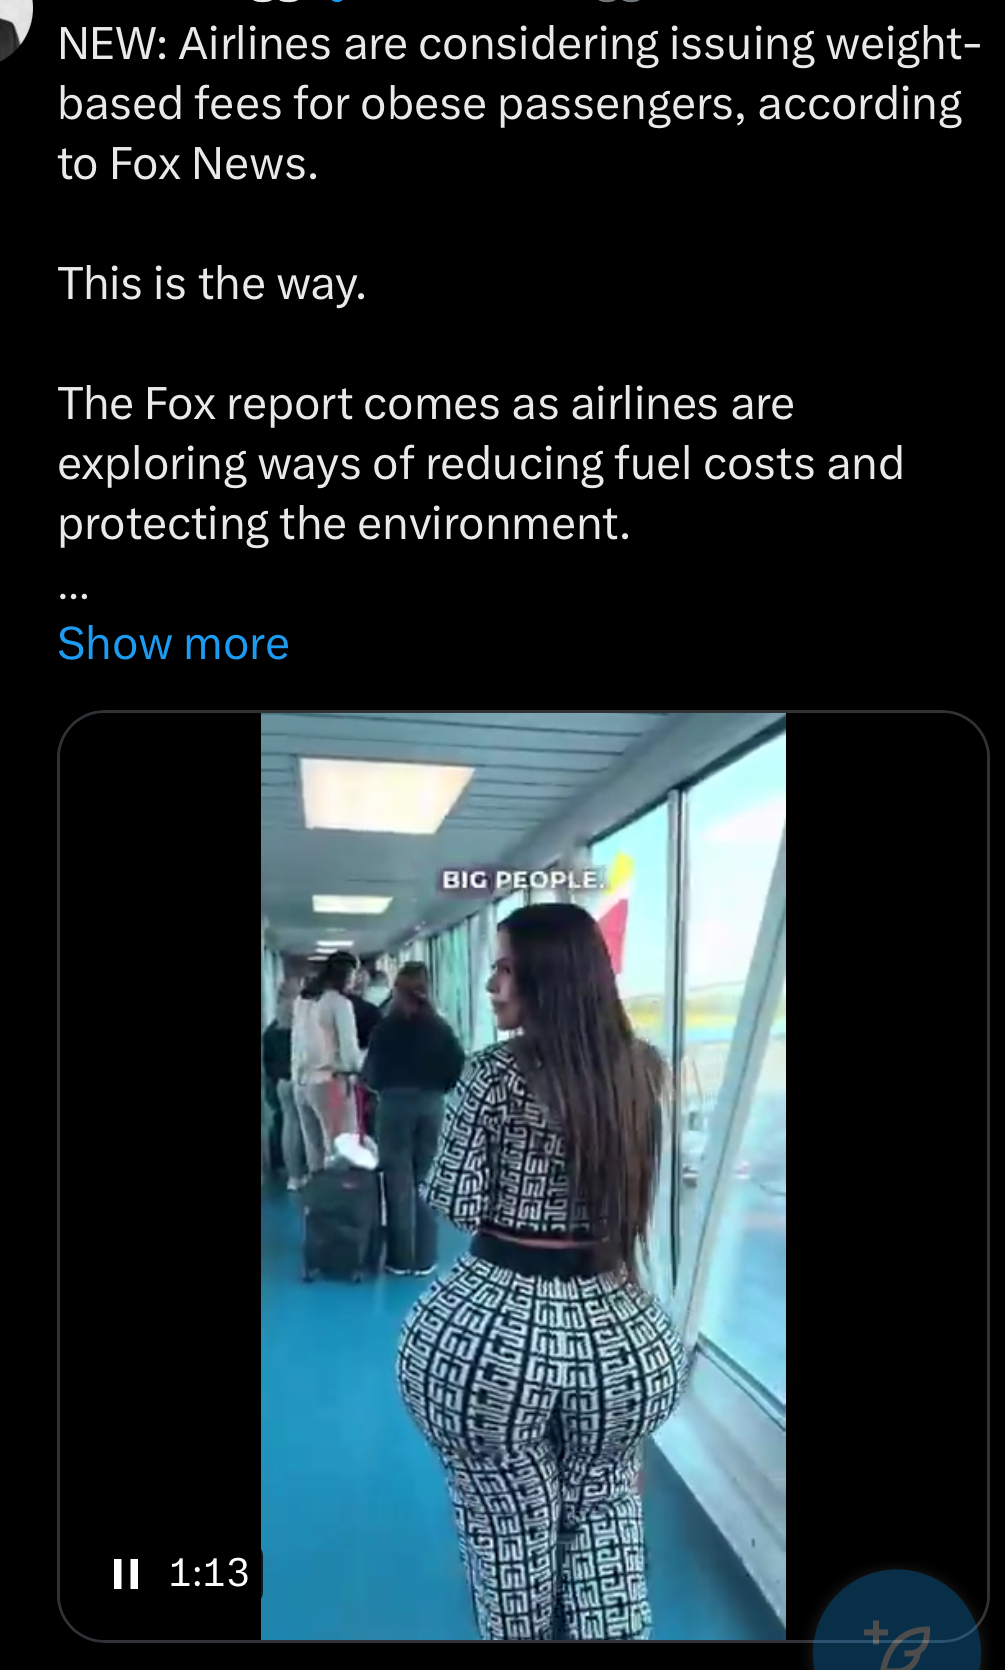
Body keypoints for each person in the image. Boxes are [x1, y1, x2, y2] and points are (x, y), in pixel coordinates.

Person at [395, 903, 689, 1641]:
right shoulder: (643, 1070)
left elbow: (458, 1201)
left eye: (504, 969)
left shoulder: (494, 1072)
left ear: (546, 979)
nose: (491, 985)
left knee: (509, 1519)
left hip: (496, 1333)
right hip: (618, 1334)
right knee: (605, 1504)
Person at [361, 963, 465, 1275]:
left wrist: (382, 1088)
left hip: (394, 1106)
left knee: (397, 1181)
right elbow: (457, 1065)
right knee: (426, 1179)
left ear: (397, 989)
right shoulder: (440, 1028)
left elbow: (370, 1073)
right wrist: (438, 1089)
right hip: (431, 1105)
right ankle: (425, 1258)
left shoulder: (385, 1028)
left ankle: (400, 1258)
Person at [291, 954, 363, 1173]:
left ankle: (316, 1191)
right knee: (338, 1147)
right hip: (329, 1081)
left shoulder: (302, 1001)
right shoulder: (339, 1003)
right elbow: (349, 1052)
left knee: (313, 1147)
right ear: (346, 975)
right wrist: (359, 1065)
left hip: (301, 1081)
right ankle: (337, 1191)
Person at [263, 982, 308, 1190]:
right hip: (304, 1079)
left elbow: (268, 1061)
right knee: (311, 1129)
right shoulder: (303, 1021)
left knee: (289, 1127)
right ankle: (313, 1171)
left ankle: (293, 1176)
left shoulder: (272, 1029)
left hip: (282, 1081)